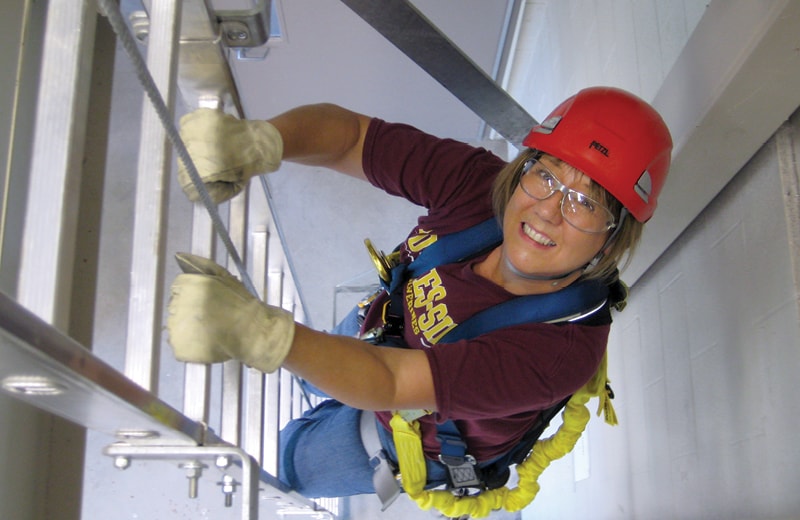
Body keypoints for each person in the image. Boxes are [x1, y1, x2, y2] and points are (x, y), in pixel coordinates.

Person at [166, 87, 672, 506]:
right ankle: (308, 376)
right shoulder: (478, 186)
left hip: (405, 428)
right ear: (524, 170)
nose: (547, 211)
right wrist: (260, 142)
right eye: (546, 175)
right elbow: (353, 141)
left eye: (584, 202)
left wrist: (258, 333)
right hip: (381, 324)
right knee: (313, 363)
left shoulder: (556, 353)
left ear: (613, 235)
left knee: (292, 459)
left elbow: (388, 380)